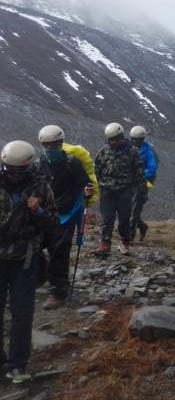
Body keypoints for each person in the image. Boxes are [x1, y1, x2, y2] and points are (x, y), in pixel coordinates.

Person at [0, 140, 59, 383]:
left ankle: (18, 366)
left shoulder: (41, 187)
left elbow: (54, 221)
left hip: (25, 260)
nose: (14, 176)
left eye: (19, 172)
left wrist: (38, 211)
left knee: (22, 314)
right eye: (9, 171)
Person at [36, 125, 94, 310]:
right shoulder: (38, 164)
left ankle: (58, 292)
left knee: (60, 250)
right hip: (42, 214)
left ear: (61, 144)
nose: (50, 148)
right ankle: (38, 277)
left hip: (65, 214)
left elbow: (84, 183)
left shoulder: (73, 163)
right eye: (47, 145)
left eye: (54, 144)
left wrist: (86, 190)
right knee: (32, 247)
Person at [93, 123, 147, 255]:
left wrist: (142, 190)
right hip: (107, 189)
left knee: (124, 219)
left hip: (125, 190)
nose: (114, 142)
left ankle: (125, 242)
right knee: (107, 218)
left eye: (117, 139)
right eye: (111, 140)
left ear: (122, 137)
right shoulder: (104, 151)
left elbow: (139, 172)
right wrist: (98, 184)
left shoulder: (132, 151)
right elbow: (97, 169)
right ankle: (104, 243)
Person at [129, 126, 157, 242]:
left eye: (137, 140)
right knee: (127, 208)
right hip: (127, 182)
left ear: (142, 139)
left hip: (140, 184)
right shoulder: (128, 148)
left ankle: (130, 236)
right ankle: (142, 226)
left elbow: (152, 169)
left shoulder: (149, 152)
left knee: (135, 209)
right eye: (133, 139)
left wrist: (139, 173)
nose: (135, 142)